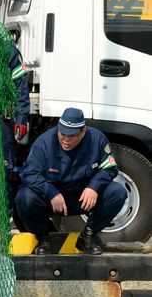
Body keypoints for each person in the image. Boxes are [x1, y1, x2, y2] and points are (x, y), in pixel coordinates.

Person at [15, 107, 127, 255]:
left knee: (117, 192)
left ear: (82, 132)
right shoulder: (44, 142)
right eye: (63, 134)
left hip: (81, 198)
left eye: (72, 136)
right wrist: (51, 193)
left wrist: (94, 187)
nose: (66, 140)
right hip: (53, 200)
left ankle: (87, 237)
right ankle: (43, 239)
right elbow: (29, 174)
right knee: (25, 197)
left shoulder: (97, 140)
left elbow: (110, 167)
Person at [0, 24, 30, 217]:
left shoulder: (6, 51)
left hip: (0, 119)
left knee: (2, 168)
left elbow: (20, 84)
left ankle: (4, 215)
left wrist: (21, 117)